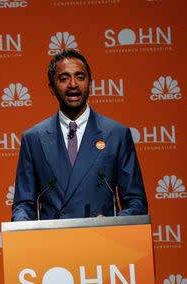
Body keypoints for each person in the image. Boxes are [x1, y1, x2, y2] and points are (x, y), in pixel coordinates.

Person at [11, 49, 147, 221]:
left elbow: (136, 202)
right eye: (64, 78)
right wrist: (24, 233)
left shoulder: (116, 134)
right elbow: (23, 204)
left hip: (102, 242)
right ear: (52, 88)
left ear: (90, 84)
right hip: (52, 243)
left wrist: (112, 224)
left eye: (80, 77)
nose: (73, 84)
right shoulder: (33, 138)